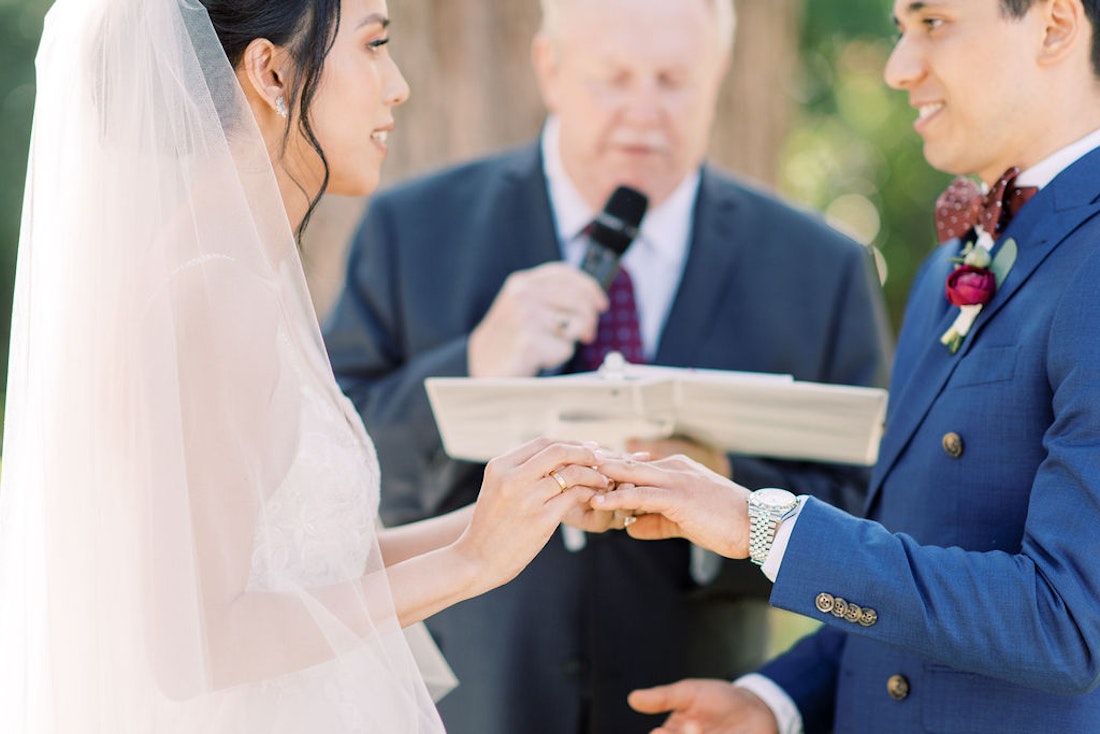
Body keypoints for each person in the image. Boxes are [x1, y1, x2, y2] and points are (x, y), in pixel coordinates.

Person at [0, 0, 612, 731]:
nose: (398, 85)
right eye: (375, 45)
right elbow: (196, 641)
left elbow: (306, 569)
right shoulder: (213, 296)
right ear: (271, 71)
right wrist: (470, 563)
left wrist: (512, 513)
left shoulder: (234, 274)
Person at [322, 0, 892, 731]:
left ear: (718, 74)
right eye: (614, 78)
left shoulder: (821, 268)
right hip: (461, 712)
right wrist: (476, 361)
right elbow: (333, 473)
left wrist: (723, 486)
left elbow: (869, 516)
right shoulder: (411, 229)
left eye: (673, 80)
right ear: (550, 69)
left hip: (688, 710)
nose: (644, 111)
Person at [592, 0, 1100, 730]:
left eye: (933, 24)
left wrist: (759, 524)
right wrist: (778, 701)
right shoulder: (947, 269)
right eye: (900, 30)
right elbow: (913, 563)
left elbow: (1069, 622)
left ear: (1054, 24)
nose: (899, 68)